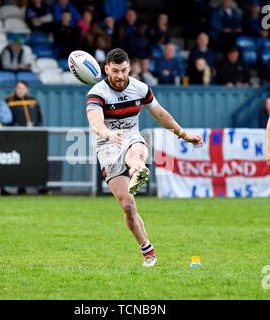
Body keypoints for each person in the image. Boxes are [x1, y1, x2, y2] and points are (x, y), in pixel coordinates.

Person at [86, 48, 203, 267]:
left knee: (137, 154)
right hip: (107, 144)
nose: (120, 75)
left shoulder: (140, 88)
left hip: (131, 136)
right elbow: (95, 120)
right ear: (106, 69)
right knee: (128, 205)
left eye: (123, 70)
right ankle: (147, 250)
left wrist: (184, 135)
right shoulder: (97, 92)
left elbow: (160, 114)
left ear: (129, 68)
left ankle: (137, 170)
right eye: (115, 71)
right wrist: (108, 133)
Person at [5, 81, 47, 195]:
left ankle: (41, 187)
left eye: (22, 88)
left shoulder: (33, 100)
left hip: (31, 137)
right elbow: (6, 119)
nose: (20, 90)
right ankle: (20, 187)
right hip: (16, 138)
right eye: (18, 88)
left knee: (34, 162)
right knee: (18, 162)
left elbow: (39, 118)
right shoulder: (8, 101)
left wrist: (37, 128)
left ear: (27, 89)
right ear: (15, 89)